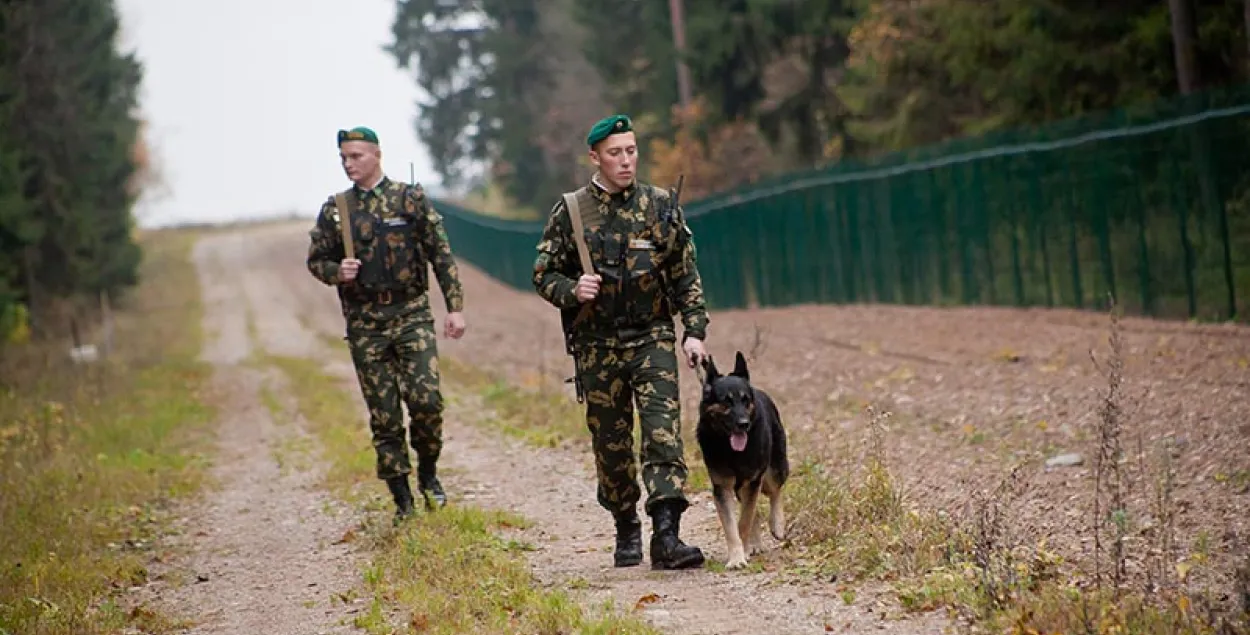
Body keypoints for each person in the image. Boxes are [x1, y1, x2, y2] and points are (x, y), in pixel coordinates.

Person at [532, 114, 710, 570]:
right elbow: (542, 273)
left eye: (631, 151)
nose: (626, 160)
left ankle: (666, 537)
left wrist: (693, 331)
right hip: (597, 343)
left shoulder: (660, 206)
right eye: (615, 153)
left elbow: (684, 273)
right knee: (611, 444)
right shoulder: (571, 212)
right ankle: (625, 521)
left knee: (662, 434)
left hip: (652, 336)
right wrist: (572, 290)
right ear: (595, 157)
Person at [306, 126, 467, 521]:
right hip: (366, 323)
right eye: (343, 158)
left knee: (427, 401)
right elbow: (316, 260)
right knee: (385, 414)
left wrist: (455, 307)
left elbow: (440, 255)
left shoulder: (409, 200)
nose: (349, 164)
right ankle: (403, 500)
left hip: (411, 313)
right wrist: (336, 271)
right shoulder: (336, 210)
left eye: (356, 156)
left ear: (377, 154)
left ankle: (428, 473)